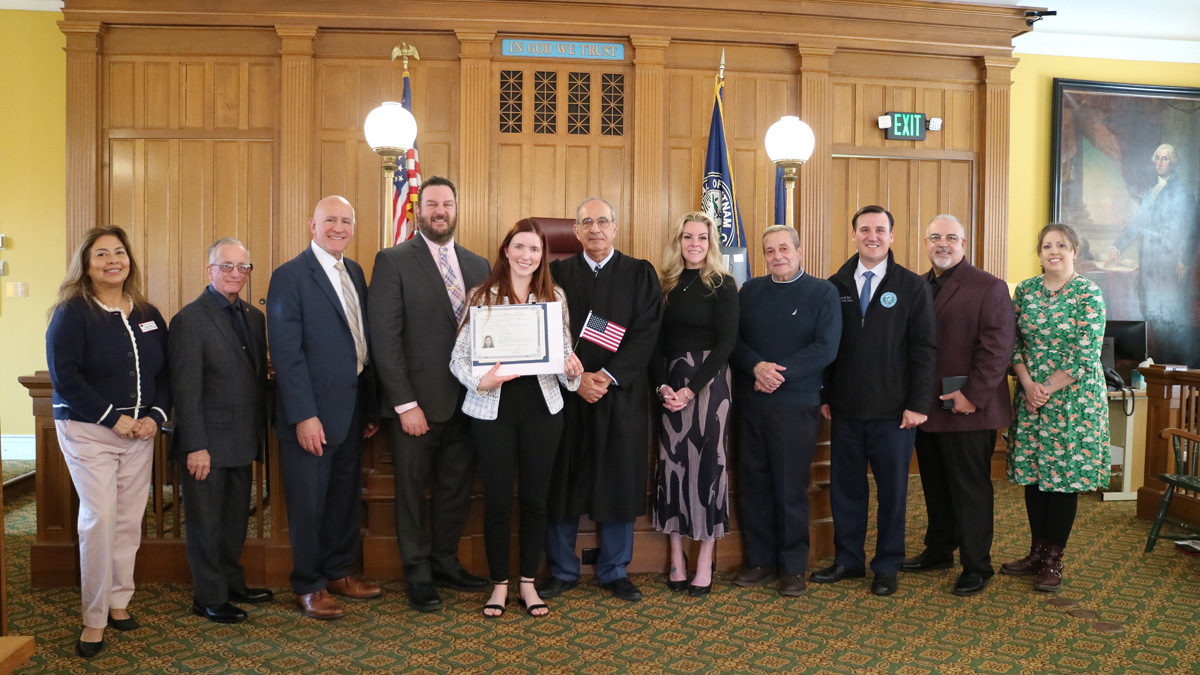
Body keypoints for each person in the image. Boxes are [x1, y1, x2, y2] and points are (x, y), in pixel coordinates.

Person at [368, 176, 492, 612]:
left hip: (469, 402)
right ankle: (418, 573)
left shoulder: (478, 265)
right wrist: (405, 404)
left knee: (455, 489)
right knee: (411, 492)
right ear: (418, 211)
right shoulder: (394, 260)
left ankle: (445, 561)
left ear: (457, 210)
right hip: (417, 405)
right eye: (432, 204)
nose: (440, 211)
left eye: (448, 204)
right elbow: (385, 339)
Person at [448, 219, 584, 617]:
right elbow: (457, 358)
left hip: (543, 409)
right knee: (496, 501)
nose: (527, 255)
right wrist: (482, 380)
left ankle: (527, 583)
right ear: (506, 250)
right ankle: (498, 585)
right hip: (494, 409)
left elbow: (563, 354)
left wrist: (572, 369)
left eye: (535, 249)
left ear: (543, 256)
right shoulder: (481, 296)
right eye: (520, 247)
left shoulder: (554, 296)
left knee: (535, 500)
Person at [46, 226, 170, 658]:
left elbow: (164, 374)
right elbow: (65, 377)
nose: (113, 260)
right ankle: (94, 618)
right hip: (89, 431)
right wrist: (112, 418)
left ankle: (119, 600)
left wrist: (155, 417)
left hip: (139, 434)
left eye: (119, 252)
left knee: (128, 520)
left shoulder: (148, 313)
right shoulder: (72, 312)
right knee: (100, 519)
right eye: (101, 254)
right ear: (86, 264)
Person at [539, 197, 663, 602]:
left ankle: (614, 569)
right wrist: (577, 380)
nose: (595, 229)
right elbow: (546, 332)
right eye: (587, 222)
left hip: (619, 395)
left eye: (603, 221)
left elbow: (646, 333)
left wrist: (606, 377)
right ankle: (561, 569)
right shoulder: (556, 274)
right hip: (568, 394)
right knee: (562, 481)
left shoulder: (640, 273)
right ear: (576, 231)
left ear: (615, 227)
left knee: (619, 480)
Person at [267, 195, 381, 620]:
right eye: (330, 220)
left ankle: (338, 572)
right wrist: (304, 415)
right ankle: (309, 584)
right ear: (312, 225)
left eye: (346, 221)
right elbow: (286, 353)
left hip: (352, 410)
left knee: (343, 498)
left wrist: (370, 408)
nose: (338, 227)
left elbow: (360, 344)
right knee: (309, 504)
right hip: (312, 414)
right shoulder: (290, 276)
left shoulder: (355, 272)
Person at [812, 205, 937, 597]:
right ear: (853, 235)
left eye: (880, 230)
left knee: (893, 493)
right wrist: (826, 394)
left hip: (895, 413)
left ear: (892, 236)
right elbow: (826, 346)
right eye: (865, 229)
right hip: (846, 410)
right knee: (846, 490)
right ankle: (848, 560)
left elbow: (924, 350)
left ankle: (886, 566)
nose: (872, 236)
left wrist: (918, 404)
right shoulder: (834, 285)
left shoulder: (912, 286)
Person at [901, 216, 1015, 597]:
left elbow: (998, 348)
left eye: (951, 237)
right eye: (935, 237)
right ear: (925, 242)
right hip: (926, 408)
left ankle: (977, 565)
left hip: (969, 409)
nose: (943, 244)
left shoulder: (989, 286)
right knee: (935, 485)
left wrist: (973, 396)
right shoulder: (917, 285)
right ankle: (939, 550)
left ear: (964, 244)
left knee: (970, 491)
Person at [729, 225, 841, 597]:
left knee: (790, 487)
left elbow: (826, 348)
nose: (777, 256)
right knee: (753, 485)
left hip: (796, 405)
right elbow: (733, 340)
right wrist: (756, 367)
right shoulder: (750, 291)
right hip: (752, 402)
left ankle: (793, 567)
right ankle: (760, 561)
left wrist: (777, 374)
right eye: (770, 250)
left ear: (799, 251)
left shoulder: (822, 292)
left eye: (784, 249)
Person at [169, 238, 274, 624]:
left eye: (242, 267)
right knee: (206, 524)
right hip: (206, 445)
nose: (235, 273)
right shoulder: (189, 320)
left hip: (243, 439)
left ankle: (231, 583)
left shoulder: (253, 317)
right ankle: (208, 597)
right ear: (209, 270)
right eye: (226, 266)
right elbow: (186, 390)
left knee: (234, 521)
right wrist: (196, 445)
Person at [1004, 223, 1109, 593]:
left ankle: (1053, 560)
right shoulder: (1025, 291)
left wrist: (1044, 389)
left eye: (1061, 245)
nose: (1054, 251)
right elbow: (1013, 343)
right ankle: (1036, 553)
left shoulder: (1088, 293)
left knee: (1063, 479)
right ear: (1039, 253)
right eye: (1047, 245)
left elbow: (1086, 353)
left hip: (1074, 401)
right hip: (1032, 395)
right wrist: (1028, 384)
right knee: (1035, 475)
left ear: (1074, 251)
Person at [650, 212, 739, 597]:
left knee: (708, 467)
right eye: (688, 237)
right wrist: (662, 387)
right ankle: (676, 557)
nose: (695, 244)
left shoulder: (723, 284)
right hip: (670, 382)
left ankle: (705, 558)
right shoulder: (664, 284)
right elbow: (653, 342)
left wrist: (691, 389)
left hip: (710, 384)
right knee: (671, 465)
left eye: (702, 237)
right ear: (679, 241)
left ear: (711, 242)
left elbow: (726, 343)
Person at [1104, 144, 1198, 366]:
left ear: (1173, 163)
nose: (1160, 163)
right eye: (1157, 158)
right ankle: (1160, 371)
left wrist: (1184, 260)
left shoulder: (1183, 193)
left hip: (1168, 267)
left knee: (1169, 322)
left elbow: (1192, 230)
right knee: (1152, 317)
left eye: (1165, 159)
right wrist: (1118, 247)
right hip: (1149, 266)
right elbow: (1138, 223)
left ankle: (1173, 372)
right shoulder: (1151, 191)